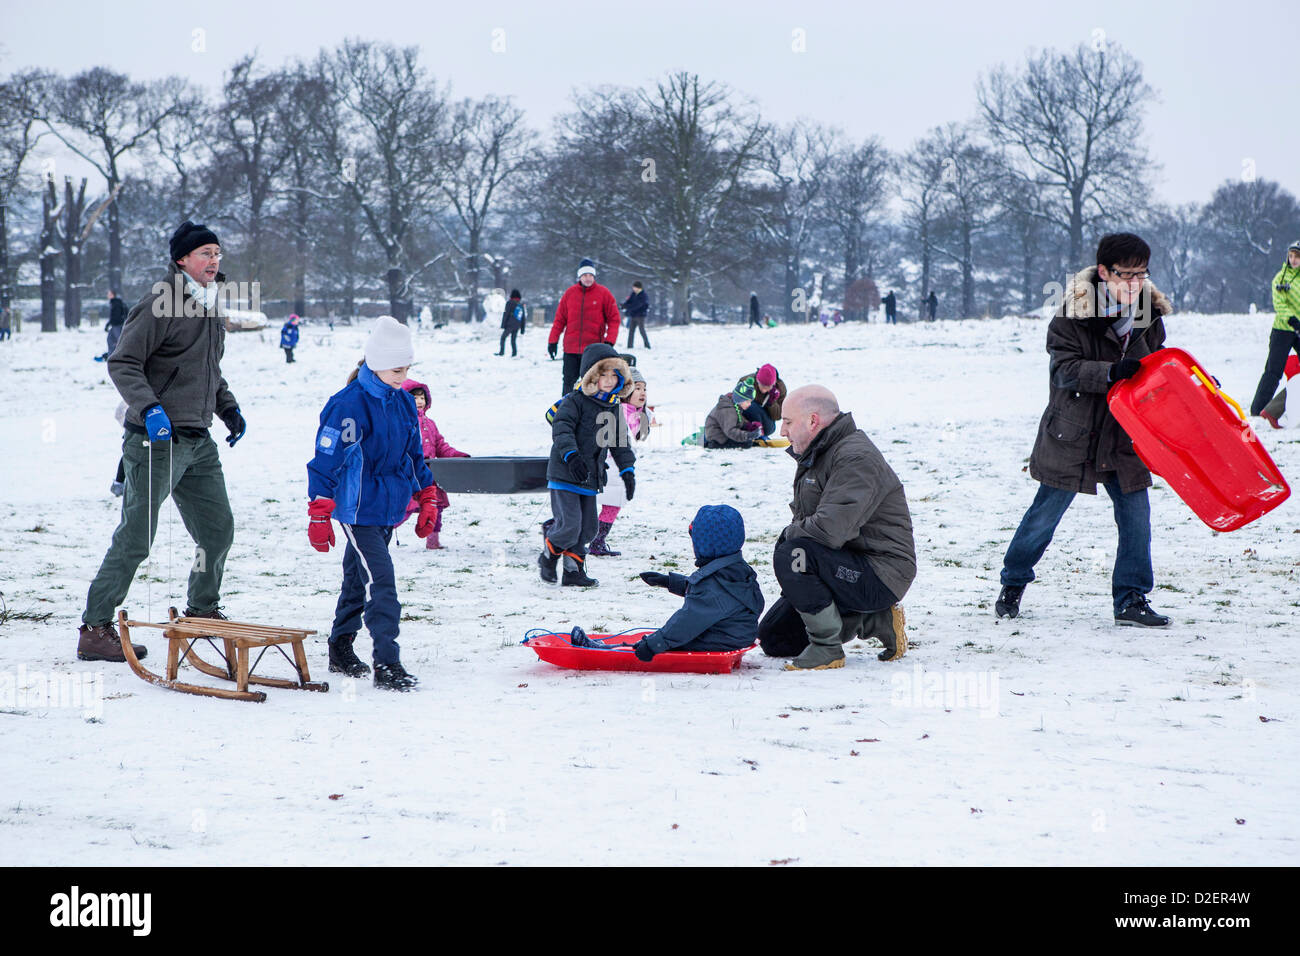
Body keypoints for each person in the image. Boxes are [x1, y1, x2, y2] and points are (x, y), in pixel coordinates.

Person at [77, 220, 247, 663]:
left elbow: (207, 370)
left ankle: (202, 609)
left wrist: (227, 407)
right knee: (136, 537)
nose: (214, 260)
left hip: (198, 440)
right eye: (205, 253)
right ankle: (95, 628)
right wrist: (150, 409)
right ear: (181, 260)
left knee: (216, 530)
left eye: (217, 253)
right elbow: (124, 363)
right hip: (155, 441)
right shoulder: (160, 303)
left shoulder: (210, 305)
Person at [996, 233, 1174, 627]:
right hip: (1073, 433)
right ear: (1104, 272)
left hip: (1123, 435)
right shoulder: (1071, 314)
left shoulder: (1149, 314)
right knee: (1044, 517)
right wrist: (1110, 372)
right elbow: (1063, 371)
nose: (1134, 284)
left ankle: (1131, 599)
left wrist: (1187, 386)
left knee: (1136, 518)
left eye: (1141, 275)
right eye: (1126, 275)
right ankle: (1013, 582)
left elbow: (1160, 369)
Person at [306, 316, 437, 691]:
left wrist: (426, 495)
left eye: (407, 368)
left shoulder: (401, 402)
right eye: (397, 369)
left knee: (355, 578)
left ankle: (340, 646)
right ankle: (387, 663)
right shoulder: (348, 405)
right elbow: (325, 460)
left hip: (387, 507)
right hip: (357, 509)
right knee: (381, 581)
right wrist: (319, 511)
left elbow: (414, 455)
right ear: (376, 363)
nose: (403, 376)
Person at [758, 385, 914, 670]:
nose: (782, 431)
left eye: (788, 422)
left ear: (813, 421)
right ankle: (876, 621)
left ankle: (827, 649)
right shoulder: (818, 452)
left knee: (793, 554)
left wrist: (790, 541)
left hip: (881, 573)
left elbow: (830, 530)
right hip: (845, 562)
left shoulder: (855, 458)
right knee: (775, 637)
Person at [539, 343, 636, 588]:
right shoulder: (575, 400)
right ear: (591, 375)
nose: (609, 380)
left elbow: (619, 441)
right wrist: (571, 456)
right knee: (570, 525)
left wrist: (627, 471)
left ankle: (573, 572)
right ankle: (549, 555)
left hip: (590, 476)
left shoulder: (612, 406)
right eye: (603, 374)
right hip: (565, 472)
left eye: (615, 374)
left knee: (588, 529)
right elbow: (562, 430)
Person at [630, 505, 765, 660]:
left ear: (705, 544)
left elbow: (687, 622)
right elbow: (718, 599)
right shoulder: (734, 569)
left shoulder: (713, 585)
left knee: (673, 640)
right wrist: (670, 582)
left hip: (719, 640)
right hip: (734, 633)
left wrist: (653, 645)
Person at [398, 378, 468, 549]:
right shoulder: (402, 424)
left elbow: (441, 446)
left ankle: (433, 541)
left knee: (434, 508)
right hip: (410, 474)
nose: (419, 401)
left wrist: (456, 456)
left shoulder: (430, 424)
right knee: (404, 507)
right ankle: (382, 531)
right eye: (414, 398)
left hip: (429, 475)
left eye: (422, 398)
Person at [589, 368, 650, 556]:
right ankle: (593, 540)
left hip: (620, 467)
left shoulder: (635, 412)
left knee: (612, 504)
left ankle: (597, 541)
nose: (642, 393)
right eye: (637, 388)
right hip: (611, 465)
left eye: (644, 389)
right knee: (604, 503)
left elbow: (641, 436)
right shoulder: (621, 411)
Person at [547, 258, 621, 396]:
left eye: (590, 275)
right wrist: (552, 341)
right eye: (585, 275)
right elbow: (559, 320)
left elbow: (614, 320)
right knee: (568, 381)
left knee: (592, 383)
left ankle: (590, 412)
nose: (588, 278)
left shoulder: (604, 294)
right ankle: (566, 411)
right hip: (571, 348)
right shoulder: (569, 294)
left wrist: (609, 341)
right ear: (579, 276)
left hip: (593, 350)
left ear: (594, 276)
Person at [1249, 240, 1300, 418]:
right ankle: (1259, 409)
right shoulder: (1280, 278)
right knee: (1273, 371)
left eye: (1297, 256)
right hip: (1282, 330)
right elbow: (1279, 303)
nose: (1293, 260)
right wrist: (1292, 320)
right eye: (1291, 256)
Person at [97, 289, 127, 360]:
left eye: (109, 294)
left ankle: (123, 357)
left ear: (112, 295)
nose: (107, 295)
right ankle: (111, 357)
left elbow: (116, 316)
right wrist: (108, 324)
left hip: (117, 325)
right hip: (114, 325)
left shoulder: (116, 303)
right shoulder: (114, 302)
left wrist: (110, 323)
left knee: (120, 341)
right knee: (110, 340)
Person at [622, 281, 651, 349]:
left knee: (642, 330)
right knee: (631, 331)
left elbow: (638, 305)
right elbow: (629, 302)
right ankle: (629, 346)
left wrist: (628, 307)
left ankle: (647, 345)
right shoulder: (633, 294)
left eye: (634, 287)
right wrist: (624, 305)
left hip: (640, 315)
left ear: (638, 287)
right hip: (633, 315)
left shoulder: (643, 295)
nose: (633, 288)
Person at [497, 289, 526, 357]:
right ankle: (514, 353)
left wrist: (503, 325)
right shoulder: (520, 305)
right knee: (513, 340)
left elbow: (506, 314)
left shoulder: (509, 303)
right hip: (517, 325)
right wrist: (522, 329)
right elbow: (523, 317)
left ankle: (501, 352)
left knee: (503, 337)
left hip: (510, 325)